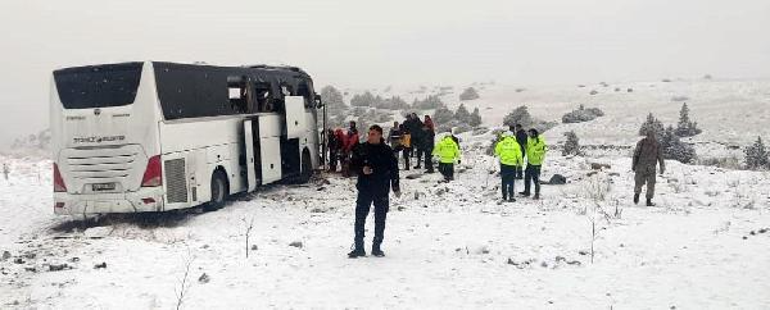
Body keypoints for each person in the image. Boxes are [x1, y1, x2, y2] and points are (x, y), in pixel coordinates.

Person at [348, 125, 401, 258]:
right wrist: (362, 169)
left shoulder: (387, 151)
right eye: (369, 134)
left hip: (381, 189)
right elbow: (352, 166)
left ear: (379, 135)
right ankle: (359, 247)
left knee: (380, 219)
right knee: (360, 218)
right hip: (365, 189)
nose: (370, 136)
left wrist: (395, 186)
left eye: (373, 134)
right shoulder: (362, 149)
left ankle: (377, 247)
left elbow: (394, 169)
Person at [632, 130, 665, 206]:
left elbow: (660, 157)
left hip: (646, 167)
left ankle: (642, 197)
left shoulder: (646, 143)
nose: (651, 137)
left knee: (645, 183)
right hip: (645, 167)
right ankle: (643, 198)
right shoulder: (654, 144)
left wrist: (634, 165)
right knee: (645, 183)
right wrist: (662, 167)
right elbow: (660, 157)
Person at [494, 131, 524, 202]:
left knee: (504, 181)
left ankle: (504, 197)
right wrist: (520, 164)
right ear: (512, 137)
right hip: (512, 165)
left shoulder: (500, 144)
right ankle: (511, 197)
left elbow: (496, 153)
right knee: (511, 181)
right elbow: (519, 156)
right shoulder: (516, 144)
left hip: (504, 165)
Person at [520, 128, 547, 199]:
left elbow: (543, 151)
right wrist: (525, 147)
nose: (529, 135)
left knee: (536, 179)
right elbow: (529, 149)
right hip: (530, 162)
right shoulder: (529, 139)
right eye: (528, 134)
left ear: (534, 133)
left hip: (536, 163)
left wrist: (535, 153)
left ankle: (537, 195)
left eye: (530, 133)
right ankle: (527, 191)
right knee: (527, 177)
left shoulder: (540, 141)